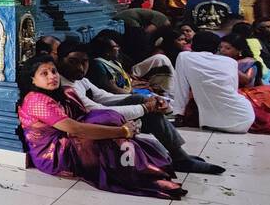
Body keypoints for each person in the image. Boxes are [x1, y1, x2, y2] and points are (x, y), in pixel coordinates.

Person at [17, 54, 185, 199]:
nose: (52, 77)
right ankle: (136, 173)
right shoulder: (37, 101)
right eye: (44, 74)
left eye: (53, 71)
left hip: (66, 139)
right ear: (32, 79)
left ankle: (143, 166)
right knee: (98, 138)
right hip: (53, 155)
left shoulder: (62, 91)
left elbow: (95, 108)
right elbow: (75, 128)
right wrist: (122, 131)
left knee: (105, 117)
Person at [56, 40, 223, 174]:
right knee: (149, 113)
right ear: (59, 60)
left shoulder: (79, 79)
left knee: (139, 98)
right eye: (72, 62)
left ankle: (178, 154)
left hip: (96, 113)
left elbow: (105, 97)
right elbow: (97, 109)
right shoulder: (65, 85)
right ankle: (180, 157)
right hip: (84, 123)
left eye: (84, 62)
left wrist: (147, 100)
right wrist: (146, 109)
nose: (79, 67)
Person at [169, 31, 255, 134]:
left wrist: (179, 114)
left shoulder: (184, 57)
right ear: (216, 47)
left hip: (211, 121)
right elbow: (233, 90)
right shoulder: (230, 62)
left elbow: (181, 88)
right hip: (244, 118)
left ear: (193, 44)